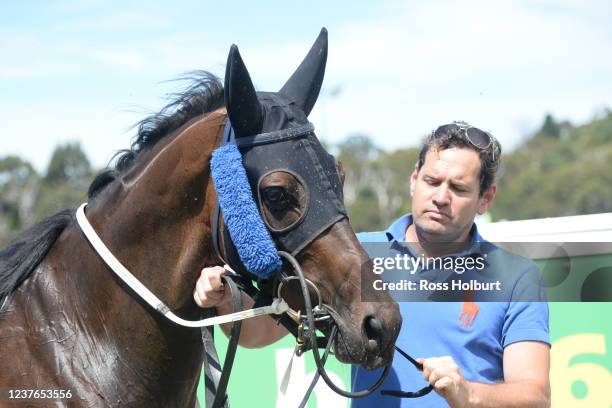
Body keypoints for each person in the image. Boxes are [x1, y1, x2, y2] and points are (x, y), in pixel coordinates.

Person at [351, 121, 550, 407]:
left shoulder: (517, 277)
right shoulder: (358, 253)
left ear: (485, 199)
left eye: (458, 188)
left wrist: (468, 394)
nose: (441, 198)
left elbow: (537, 397)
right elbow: (265, 329)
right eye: (431, 181)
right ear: (413, 180)